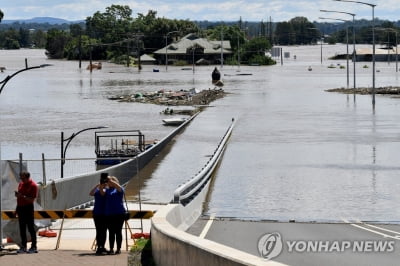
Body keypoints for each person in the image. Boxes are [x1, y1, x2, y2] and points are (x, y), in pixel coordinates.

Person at [15, 171, 38, 253]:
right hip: (20, 208)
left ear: (28, 177)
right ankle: (23, 246)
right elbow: (19, 199)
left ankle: (34, 246)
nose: (21, 179)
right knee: (22, 228)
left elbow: (31, 200)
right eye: (20, 177)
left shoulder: (33, 186)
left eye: (23, 178)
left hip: (28, 208)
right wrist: (17, 209)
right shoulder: (21, 184)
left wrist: (22, 196)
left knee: (31, 228)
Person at [104, 176, 126, 255]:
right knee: (111, 232)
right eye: (109, 182)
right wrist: (103, 183)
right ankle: (111, 249)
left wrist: (111, 180)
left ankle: (118, 249)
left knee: (118, 231)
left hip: (119, 214)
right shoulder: (106, 190)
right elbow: (100, 192)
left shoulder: (119, 190)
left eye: (111, 182)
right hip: (109, 214)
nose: (109, 183)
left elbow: (119, 188)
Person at [89, 173, 108, 255]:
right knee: (99, 230)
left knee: (104, 231)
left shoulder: (107, 191)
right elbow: (90, 193)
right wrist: (98, 185)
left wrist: (102, 186)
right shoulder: (97, 190)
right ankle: (99, 246)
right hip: (97, 213)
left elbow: (102, 193)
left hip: (104, 213)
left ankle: (102, 246)